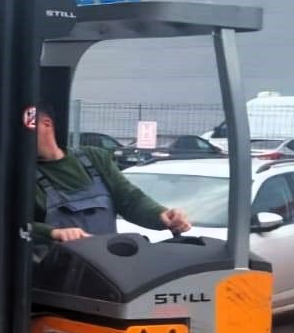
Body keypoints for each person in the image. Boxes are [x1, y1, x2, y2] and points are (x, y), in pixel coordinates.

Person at [32, 101, 192, 246]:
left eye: (26, 129)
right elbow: (19, 226)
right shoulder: (23, 175)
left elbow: (130, 200)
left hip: (106, 262)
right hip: (57, 265)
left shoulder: (94, 158)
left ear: (46, 124)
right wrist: (53, 233)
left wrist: (161, 215)